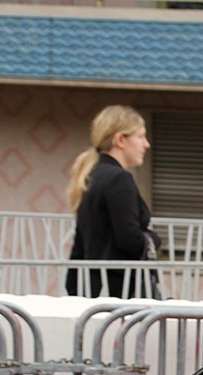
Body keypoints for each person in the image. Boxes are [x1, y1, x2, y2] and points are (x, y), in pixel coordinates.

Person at [65, 105, 161, 299]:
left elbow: (83, 240)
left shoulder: (92, 174)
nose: (146, 144)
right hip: (120, 290)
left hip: (93, 286)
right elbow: (129, 239)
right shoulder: (118, 178)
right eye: (141, 137)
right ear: (120, 140)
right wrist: (153, 239)